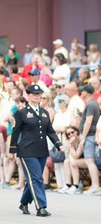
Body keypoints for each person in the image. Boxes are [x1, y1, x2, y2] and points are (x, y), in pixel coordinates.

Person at [10, 84, 62, 216]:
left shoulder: (44, 113)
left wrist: (58, 144)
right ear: (28, 96)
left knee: (34, 178)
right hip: (27, 150)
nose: (38, 96)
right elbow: (15, 132)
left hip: (41, 150)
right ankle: (41, 206)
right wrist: (12, 150)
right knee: (37, 178)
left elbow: (50, 131)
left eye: (39, 94)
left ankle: (24, 202)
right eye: (34, 94)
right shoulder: (22, 113)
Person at [68, 84, 100, 194]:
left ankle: (95, 185)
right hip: (90, 135)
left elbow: (89, 121)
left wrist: (83, 137)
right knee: (88, 161)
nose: (81, 93)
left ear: (86, 92)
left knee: (89, 161)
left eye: (82, 91)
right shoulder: (92, 103)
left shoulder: (91, 104)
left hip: (89, 135)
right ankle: (94, 185)